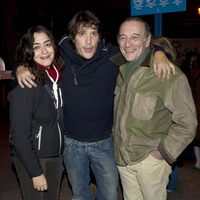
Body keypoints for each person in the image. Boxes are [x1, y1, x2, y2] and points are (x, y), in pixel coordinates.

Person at [15, 11, 175, 200]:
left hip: (105, 143)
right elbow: (37, 59)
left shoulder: (112, 57)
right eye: (82, 34)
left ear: (100, 37)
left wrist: (158, 53)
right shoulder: (61, 59)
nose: (88, 41)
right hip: (71, 144)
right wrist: (21, 67)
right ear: (72, 38)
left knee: (109, 195)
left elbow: (137, 49)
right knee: (80, 194)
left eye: (93, 33)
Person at [113, 17, 197, 200]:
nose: (127, 43)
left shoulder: (167, 73)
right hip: (123, 159)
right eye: (123, 37)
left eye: (135, 37)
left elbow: (187, 122)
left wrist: (162, 152)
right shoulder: (119, 68)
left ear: (147, 40)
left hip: (149, 161)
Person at [8, 25, 64, 200]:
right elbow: (18, 136)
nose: (44, 51)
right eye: (36, 47)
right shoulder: (26, 84)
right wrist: (35, 172)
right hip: (33, 159)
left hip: (55, 155)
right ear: (28, 51)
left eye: (47, 44)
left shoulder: (55, 76)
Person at [181, 50, 200, 169]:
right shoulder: (190, 73)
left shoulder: (192, 73)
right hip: (193, 106)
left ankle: (198, 162)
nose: (192, 63)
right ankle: (198, 161)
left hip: (194, 106)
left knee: (196, 137)